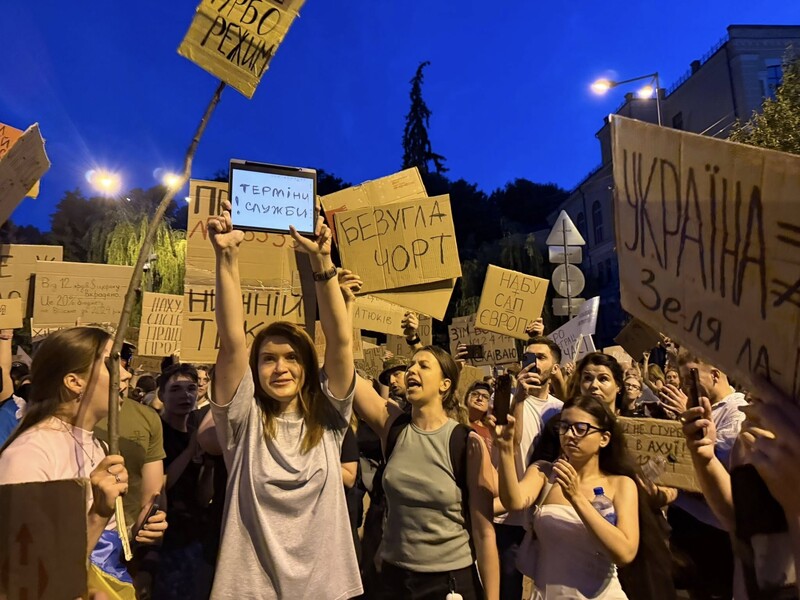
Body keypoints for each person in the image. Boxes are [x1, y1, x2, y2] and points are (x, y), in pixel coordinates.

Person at [206, 200, 362, 599]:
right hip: (250, 591)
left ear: (307, 367)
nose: (281, 368)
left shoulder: (329, 417)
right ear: (255, 370)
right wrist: (227, 257)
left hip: (327, 590)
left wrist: (322, 263)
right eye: (268, 359)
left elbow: (341, 342)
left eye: (292, 358)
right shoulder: (242, 419)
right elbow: (232, 342)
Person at [0, 327, 167, 599]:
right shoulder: (30, 454)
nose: (125, 375)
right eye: (111, 364)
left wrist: (134, 533)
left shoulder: (97, 445)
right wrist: (99, 513)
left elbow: (102, 545)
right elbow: (27, 581)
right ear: (74, 382)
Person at [353, 344, 499, 599]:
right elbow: (343, 372)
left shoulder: (466, 442)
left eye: (423, 365)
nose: (412, 370)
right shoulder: (394, 427)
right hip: (392, 581)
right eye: (411, 365)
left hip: (447, 584)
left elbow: (484, 532)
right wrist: (346, 306)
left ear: (445, 384)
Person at [495, 395, 640, 599]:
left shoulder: (620, 484)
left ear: (604, 438)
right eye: (564, 426)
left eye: (581, 429)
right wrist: (505, 449)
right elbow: (513, 501)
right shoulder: (544, 472)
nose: (570, 435)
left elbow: (624, 553)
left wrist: (576, 497)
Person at [669, 350, 747, 600]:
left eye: (691, 377)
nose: (684, 386)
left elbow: (718, 475)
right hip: (696, 538)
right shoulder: (705, 411)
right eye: (683, 379)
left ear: (715, 375)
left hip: (717, 541)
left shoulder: (738, 412)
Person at [495, 336, 564, 600]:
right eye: (528, 356)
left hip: (547, 513)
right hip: (509, 515)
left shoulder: (562, 410)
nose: (533, 363)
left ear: (555, 368)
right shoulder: (502, 399)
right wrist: (519, 398)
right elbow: (510, 444)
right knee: (508, 590)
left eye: (541, 357)